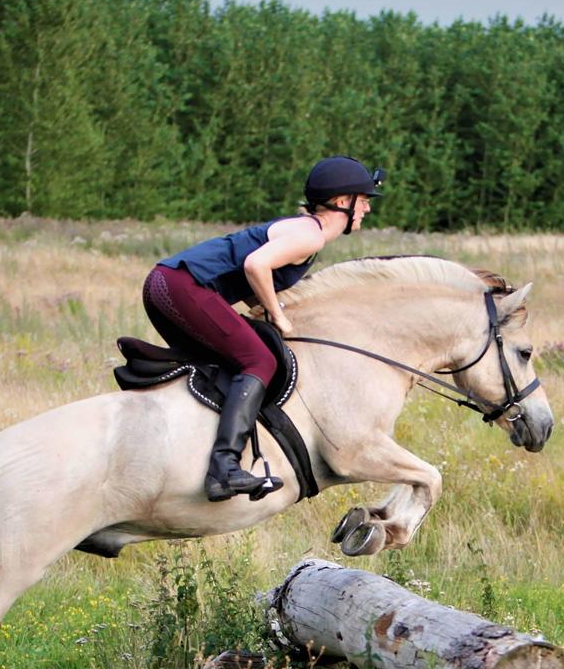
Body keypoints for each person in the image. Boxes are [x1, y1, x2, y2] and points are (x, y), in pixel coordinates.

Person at [143, 156, 384, 502]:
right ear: (343, 202)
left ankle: (193, 449)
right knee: (260, 361)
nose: (367, 209)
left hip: (165, 284)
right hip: (182, 287)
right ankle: (224, 467)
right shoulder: (310, 234)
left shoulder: (303, 229)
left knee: (231, 363)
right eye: (363, 200)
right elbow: (256, 264)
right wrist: (277, 314)